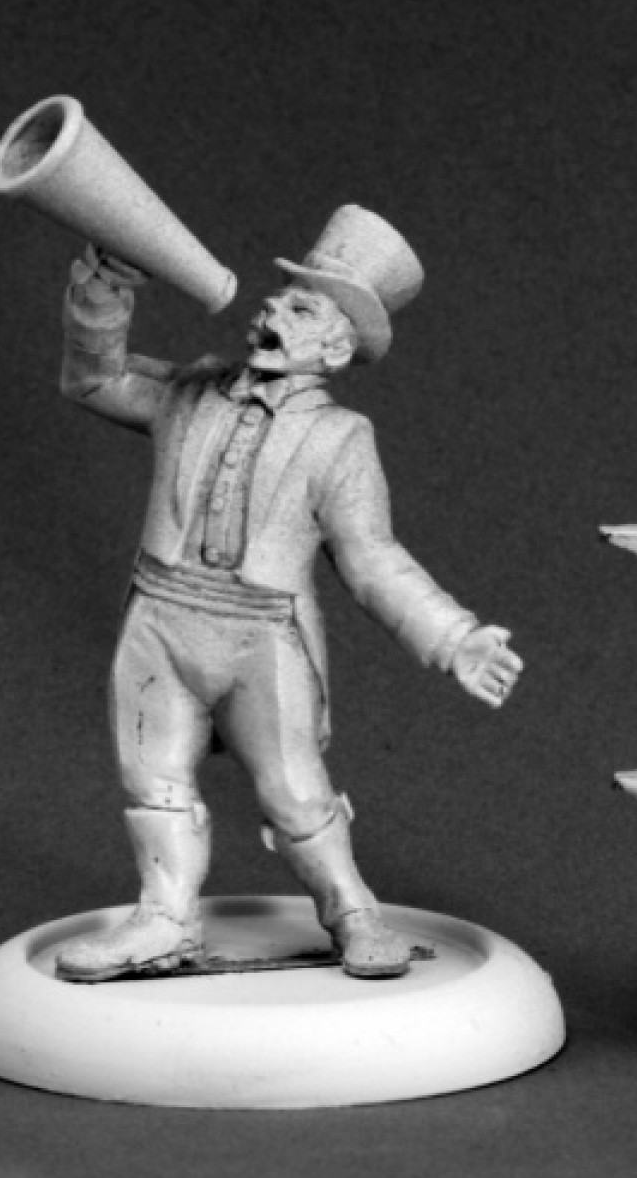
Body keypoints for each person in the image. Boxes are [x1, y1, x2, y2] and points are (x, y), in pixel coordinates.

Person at [54, 205, 522, 981]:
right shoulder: (191, 391)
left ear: (336, 347)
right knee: (151, 778)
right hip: (160, 617)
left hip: (262, 636)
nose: (270, 311)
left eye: (301, 308)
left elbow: (371, 558)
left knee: (296, 792)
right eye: (277, 298)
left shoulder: (341, 438)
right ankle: (163, 918)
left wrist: (454, 638)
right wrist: (104, 288)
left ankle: (353, 912)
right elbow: (95, 378)